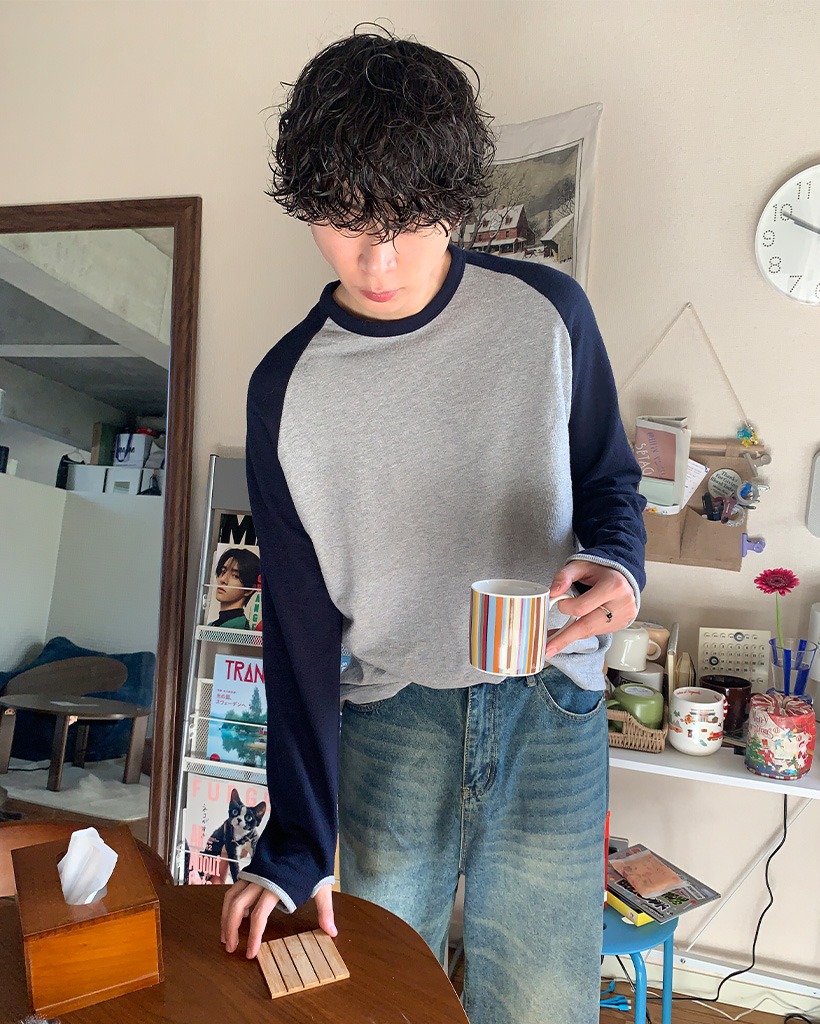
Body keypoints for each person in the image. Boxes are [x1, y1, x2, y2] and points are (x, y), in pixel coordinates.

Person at [221, 27, 646, 1024]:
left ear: (455, 202)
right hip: (393, 711)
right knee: (387, 994)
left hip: (551, 701)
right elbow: (297, 630)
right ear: (306, 205)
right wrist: (295, 841)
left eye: (409, 222)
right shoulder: (284, 389)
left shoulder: (548, 313)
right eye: (343, 220)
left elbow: (610, 484)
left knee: (540, 1000)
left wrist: (620, 569)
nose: (378, 260)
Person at [207, 547, 261, 629]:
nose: (223, 579)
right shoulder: (212, 624)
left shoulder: (238, 627)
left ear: (249, 590)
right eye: (223, 571)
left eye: (235, 576)